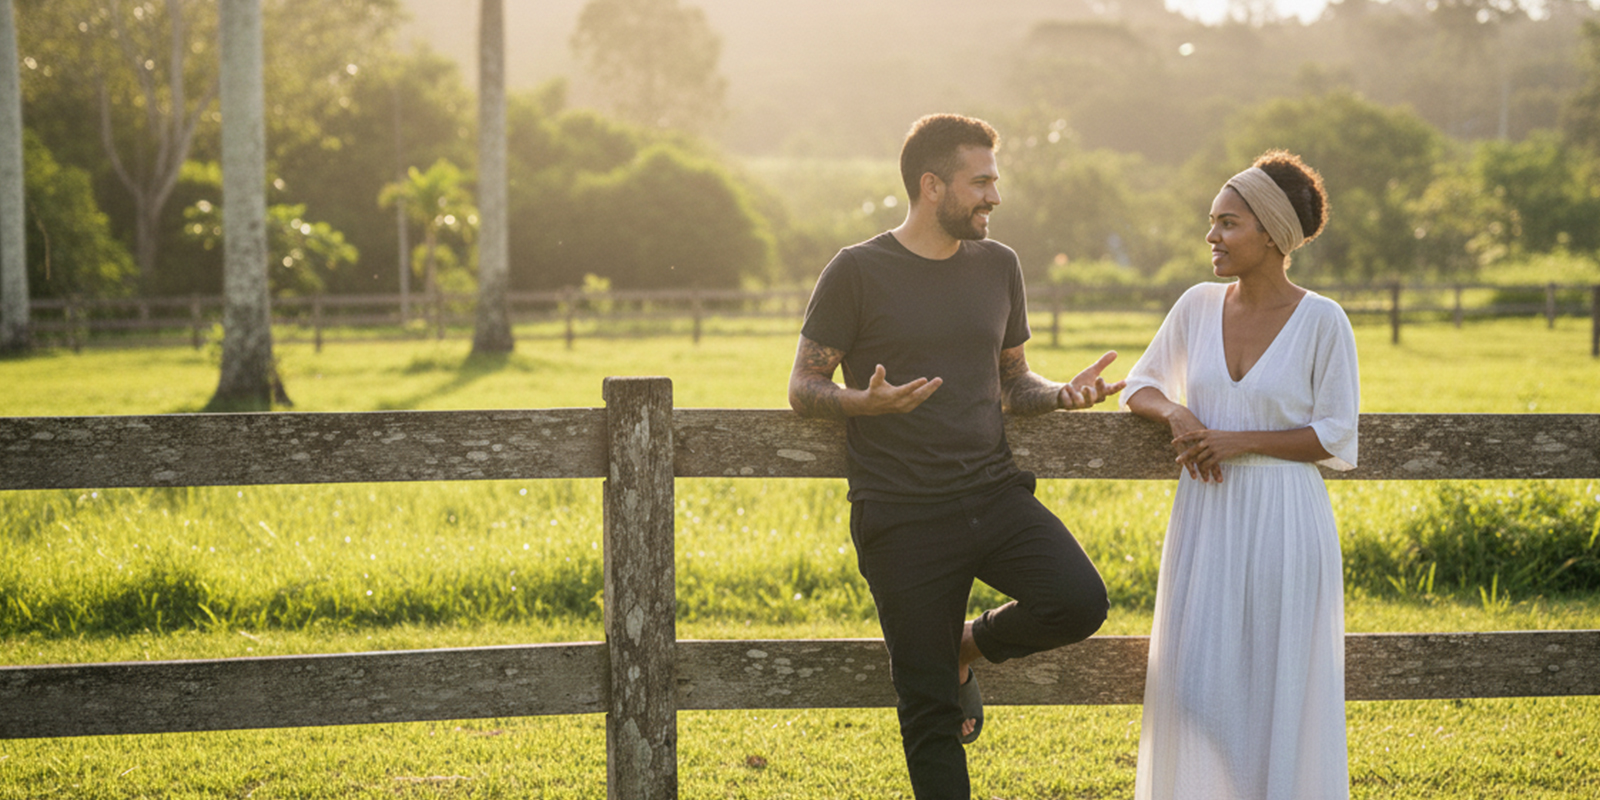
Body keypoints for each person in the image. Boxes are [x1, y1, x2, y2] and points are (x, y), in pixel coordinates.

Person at [788, 113, 1120, 800]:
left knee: (1079, 600)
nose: (994, 197)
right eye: (981, 183)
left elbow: (1011, 380)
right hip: (902, 519)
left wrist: (1060, 395)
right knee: (928, 707)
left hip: (994, 497)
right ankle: (947, 670)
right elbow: (804, 386)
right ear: (932, 185)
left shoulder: (999, 266)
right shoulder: (856, 271)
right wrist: (863, 405)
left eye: (995, 182)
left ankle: (965, 646)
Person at [1123, 151, 1359, 800]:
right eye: (1212, 222)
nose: (1212, 237)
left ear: (1273, 235)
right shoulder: (1197, 306)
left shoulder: (1323, 322)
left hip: (1286, 522)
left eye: (1228, 223)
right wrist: (1176, 413)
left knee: (1279, 686)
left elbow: (1335, 435)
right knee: (1198, 685)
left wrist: (1235, 440)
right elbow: (1140, 385)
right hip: (1206, 521)